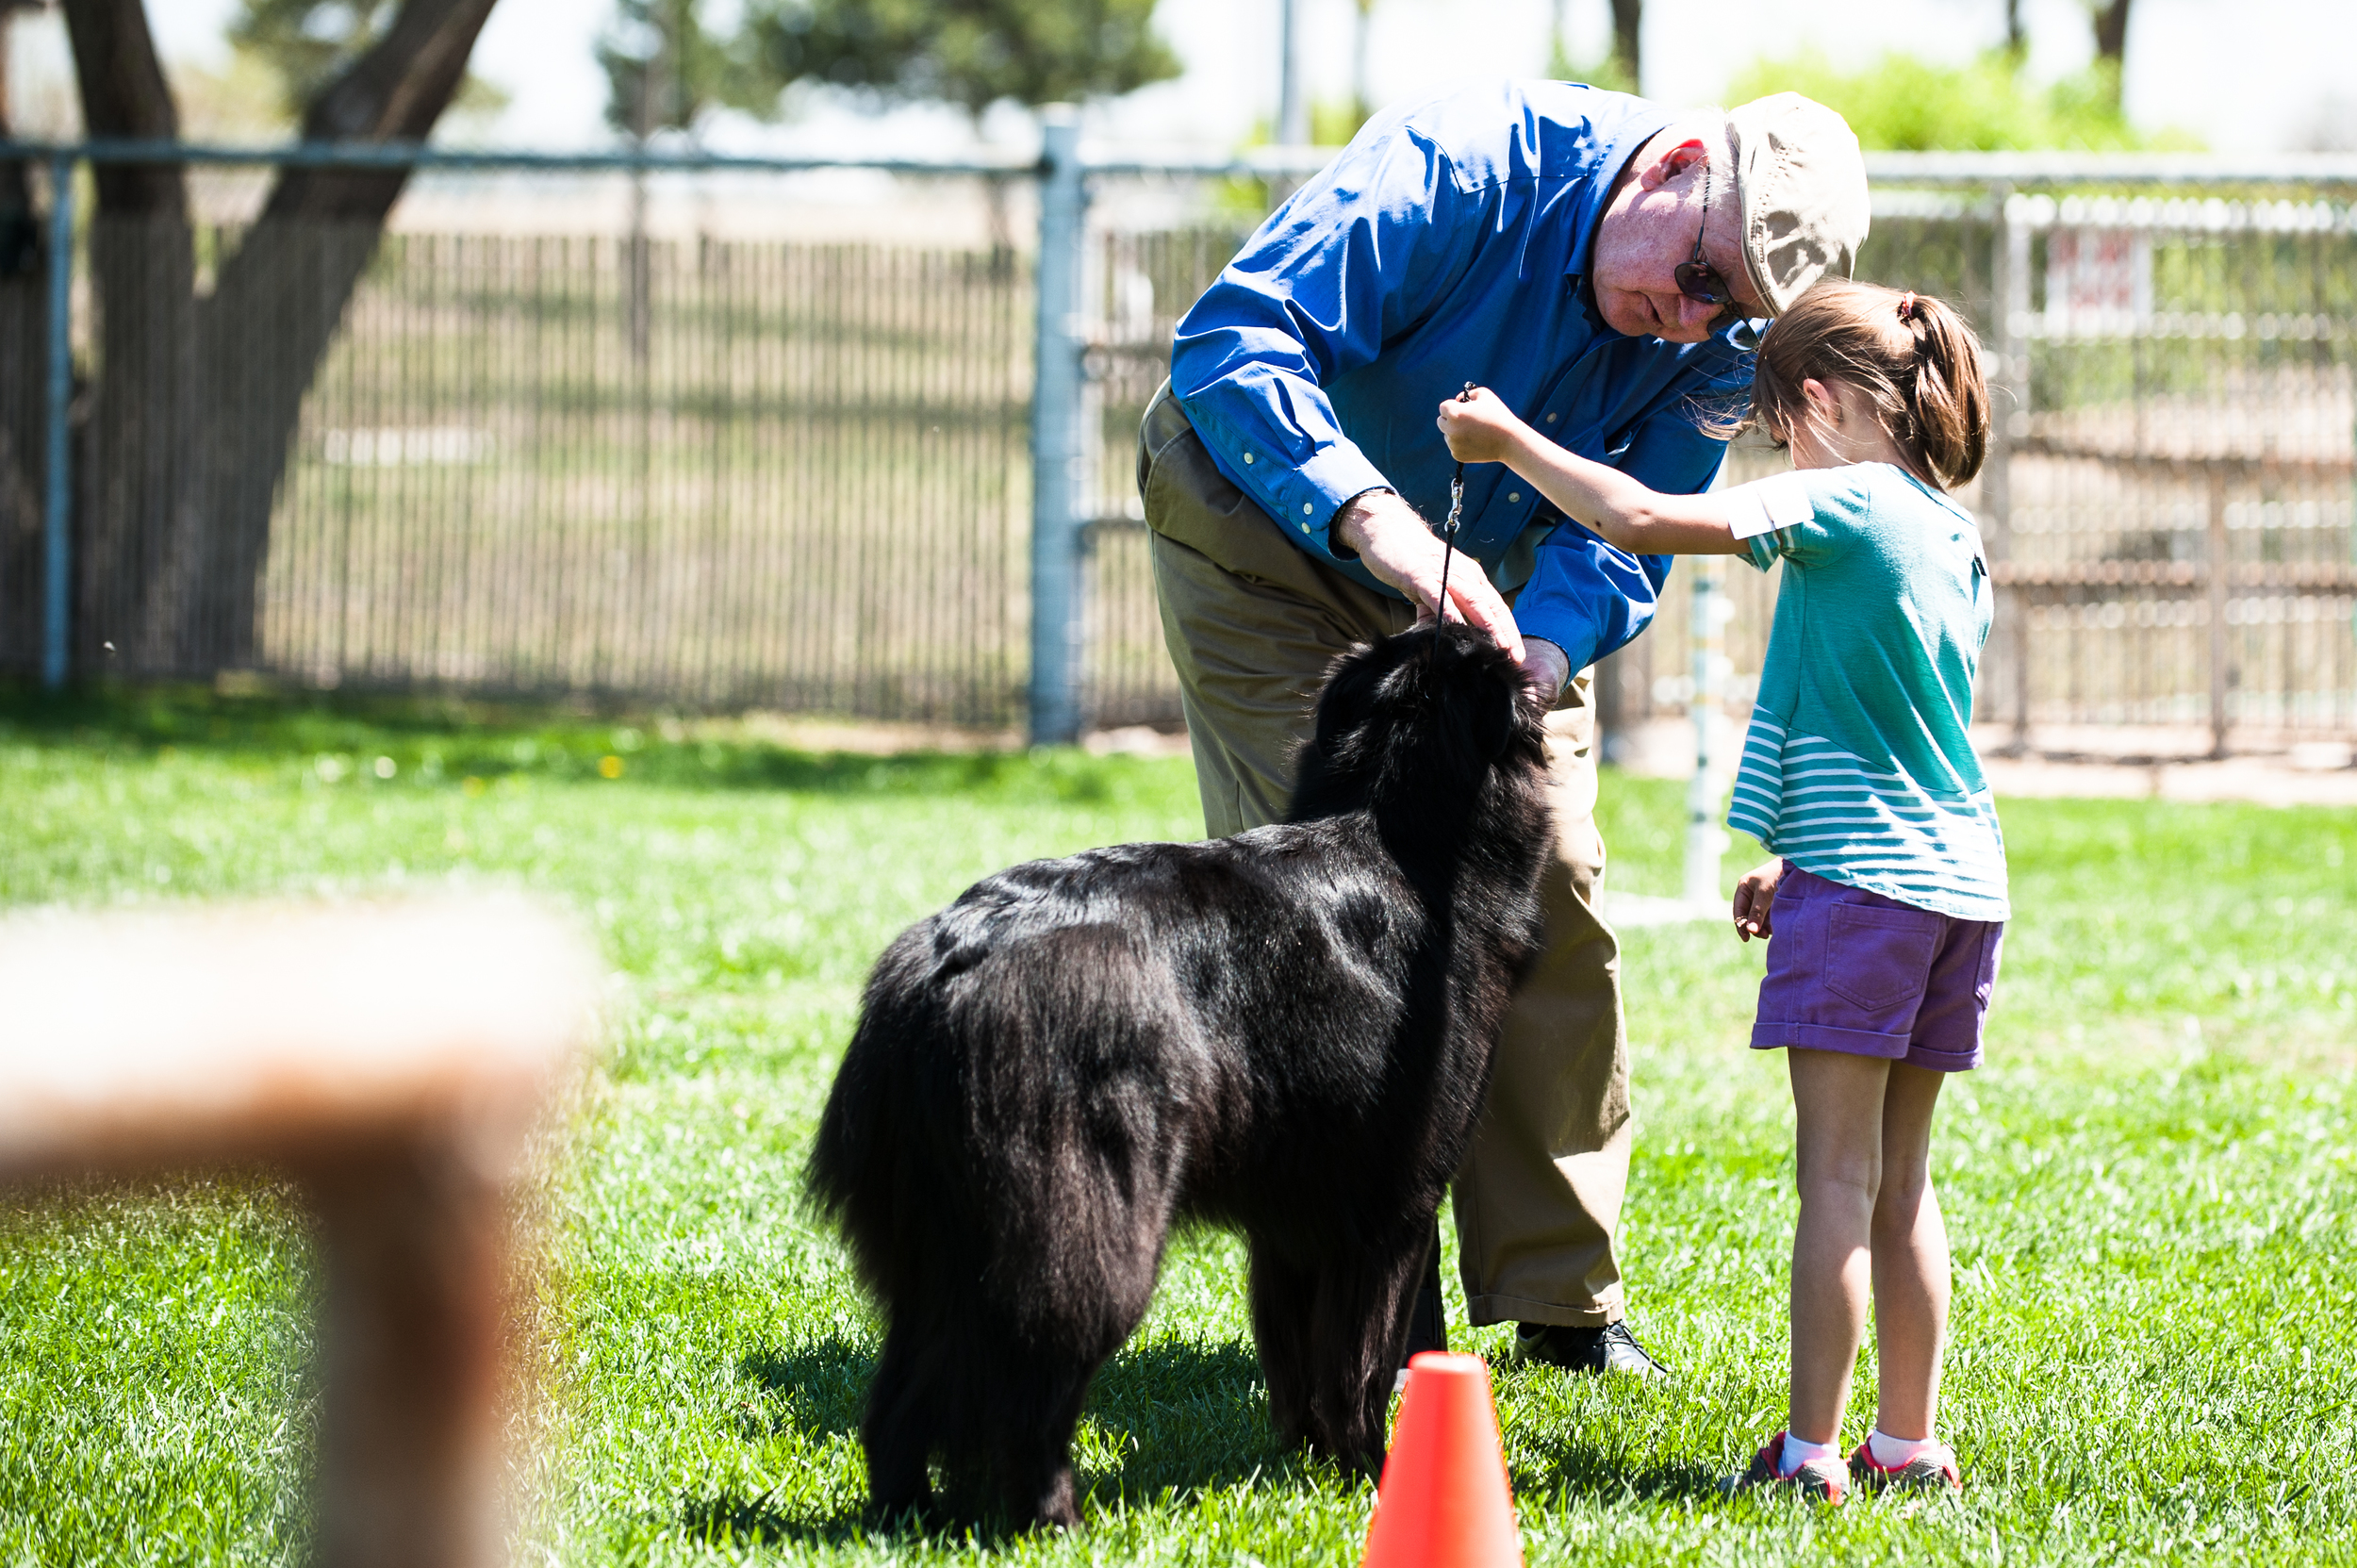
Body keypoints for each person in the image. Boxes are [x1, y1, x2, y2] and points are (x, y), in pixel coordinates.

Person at [1141, 81, 1870, 1375]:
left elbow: (1627, 526)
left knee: (1556, 884)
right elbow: (1233, 341)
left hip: (1495, 585)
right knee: (1317, 900)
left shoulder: (1709, 332)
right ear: (1677, 163)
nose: (1693, 324)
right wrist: (1375, 520)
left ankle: (1563, 1304)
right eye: (1698, 275)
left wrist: (1540, 654)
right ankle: (1353, 1317)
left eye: (1732, 314)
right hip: (1268, 519)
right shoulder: (1458, 167)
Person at [1437, 278, 2005, 1498]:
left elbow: (1640, 515)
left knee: (1836, 1184)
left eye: (1777, 426)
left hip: (1868, 894)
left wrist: (1503, 440)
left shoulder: (1843, 496)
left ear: (1812, 400)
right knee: (1905, 1183)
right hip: (1955, 885)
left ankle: (1807, 1457)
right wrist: (1792, 858)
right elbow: (1905, 736)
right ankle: (1907, 1444)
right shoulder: (1950, 532)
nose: (1779, 450)